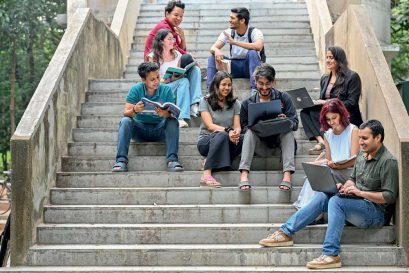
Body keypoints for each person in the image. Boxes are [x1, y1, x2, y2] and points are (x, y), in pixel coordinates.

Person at [259, 119, 398, 270]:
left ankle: (331, 254)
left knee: (336, 202)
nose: (360, 142)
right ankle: (285, 232)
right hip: (357, 204)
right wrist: (345, 187)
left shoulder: (388, 161)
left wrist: (360, 192)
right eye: (359, 138)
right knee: (324, 195)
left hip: (376, 214)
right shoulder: (362, 156)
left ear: (378, 138)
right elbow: (352, 179)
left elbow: (389, 196)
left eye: (364, 138)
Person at [112, 62, 184, 172]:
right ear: (144, 80)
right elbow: (126, 112)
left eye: (158, 77)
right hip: (139, 131)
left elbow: (172, 113)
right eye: (152, 79)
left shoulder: (166, 90)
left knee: (173, 122)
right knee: (125, 121)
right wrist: (135, 110)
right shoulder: (136, 89)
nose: (157, 81)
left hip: (159, 130)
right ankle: (121, 161)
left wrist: (164, 114)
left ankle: (172, 160)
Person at [238, 64, 298, 191]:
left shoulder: (284, 98)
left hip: (279, 146)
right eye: (261, 84)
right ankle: (244, 173)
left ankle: (287, 175)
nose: (264, 88)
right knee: (249, 132)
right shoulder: (247, 103)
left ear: (273, 82)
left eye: (268, 83)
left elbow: (295, 123)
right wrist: (256, 125)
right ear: (255, 82)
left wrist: (285, 121)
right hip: (259, 145)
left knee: (288, 132)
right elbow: (242, 129)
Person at [293, 98, 359, 210]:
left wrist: (338, 166)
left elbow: (355, 160)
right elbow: (328, 160)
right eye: (328, 119)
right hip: (334, 170)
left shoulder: (353, 130)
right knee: (313, 175)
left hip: (349, 173)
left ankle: (307, 210)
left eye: (334, 118)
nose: (331, 122)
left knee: (320, 175)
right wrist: (313, 164)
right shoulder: (328, 134)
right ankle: (307, 209)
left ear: (341, 115)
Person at [301, 46, 364, 155]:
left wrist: (326, 102)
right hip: (328, 112)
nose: (328, 61)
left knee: (321, 113)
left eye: (331, 57)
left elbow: (352, 102)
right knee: (305, 112)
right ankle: (322, 141)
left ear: (339, 59)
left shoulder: (352, 77)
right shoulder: (325, 78)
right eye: (327, 57)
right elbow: (323, 98)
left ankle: (325, 142)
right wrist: (315, 102)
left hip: (346, 114)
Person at [147, 29, 202, 128]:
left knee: (196, 70)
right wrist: (169, 79)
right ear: (161, 41)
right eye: (170, 39)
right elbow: (152, 82)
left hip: (177, 86)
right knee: (183, 81)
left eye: (173, 38)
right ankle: (180, 117)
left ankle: (194, 103)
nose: (173, 41)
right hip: (162, 88)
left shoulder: (177, 55)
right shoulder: (153, 57)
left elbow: (181, 71)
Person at [197, 71, 242, 188]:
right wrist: (228, 131)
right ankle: (206, 174)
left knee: (243, 138)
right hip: (207, 141)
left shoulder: (235, 103)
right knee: (221, 135)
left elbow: (237, 126)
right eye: (223, 85)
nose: (227, 88)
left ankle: (223, 163)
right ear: (216, 85)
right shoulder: (205, 101)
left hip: (227, 140)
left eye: (229, 85)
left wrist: (236, 132)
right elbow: (210, 126)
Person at [206, 7, 263, 93]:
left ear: (242, 21)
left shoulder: (255, 32)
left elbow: (258, 46)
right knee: (212, 57)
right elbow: (212, 48)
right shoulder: (229, 32)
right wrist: (216, 50)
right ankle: (210, 91)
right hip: (233, 66)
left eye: (232, 18)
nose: (230, 20)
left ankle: (255, 91)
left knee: (252, 53)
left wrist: (235, 42)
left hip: (250, 67)